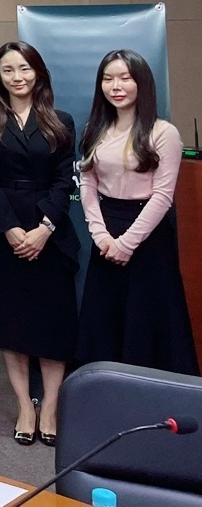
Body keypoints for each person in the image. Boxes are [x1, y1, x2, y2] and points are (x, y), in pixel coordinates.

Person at [0, 41, 78, 446]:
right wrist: (9, 227)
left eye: (25, 68)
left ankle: (50, 406)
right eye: (8, 70)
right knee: (10, 323)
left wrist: (45, 227)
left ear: (38, 73)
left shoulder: (61, 120)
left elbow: (65, 179)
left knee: (53, 324)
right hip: (2, 234)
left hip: (51, 232)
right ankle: (24, 406)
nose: (18, 77)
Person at [76, 50, 198, 375]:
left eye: (125, 78)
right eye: (108, 78)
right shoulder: (95, 129)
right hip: (106, 235)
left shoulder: (163, 132)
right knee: (106, 322)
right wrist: (101, 236)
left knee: (148, 321)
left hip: (148, 237)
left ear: (141, 82)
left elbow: (163, 196)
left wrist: (127, 244)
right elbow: (87, 184)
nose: (116, 86)